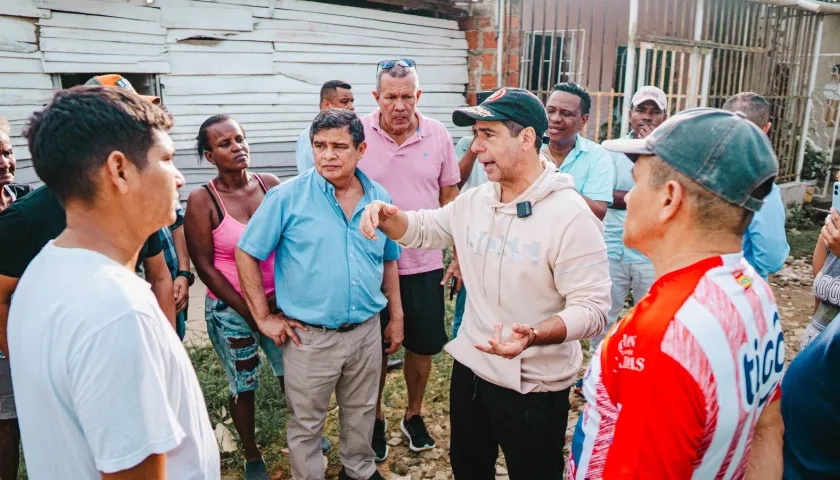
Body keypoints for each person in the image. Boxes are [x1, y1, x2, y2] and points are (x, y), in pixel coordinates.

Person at [360, 87, 611, 479]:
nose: (475, 147)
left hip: (535, 386)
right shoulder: (477, 200)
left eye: (488, 134)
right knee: (469, 468)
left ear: (526, 138)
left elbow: (593, 309)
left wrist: (534, 334)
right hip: (472, 370)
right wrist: (385, 214)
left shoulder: (571, 216)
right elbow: (425, 228)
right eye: (476, 134)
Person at [7, 85, 219, 479]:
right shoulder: (116, 311)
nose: (178, 177)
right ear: (119, 170)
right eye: (166, 159)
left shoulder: (42, 274)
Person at [566, 108, 783, 478]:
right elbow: (767, 429)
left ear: (669, 199)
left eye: (637, 182)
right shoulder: (754, 292)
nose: (630, 198)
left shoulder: (660, 337)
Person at [236, 109, 401, 480]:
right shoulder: (287, 198)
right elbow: (247, 251)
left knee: (360, 411)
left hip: (365, 331)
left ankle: (358, 470)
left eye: (339, 147)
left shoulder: (379, 197)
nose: (328, 155)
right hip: (309, 338)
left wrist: (398, 318)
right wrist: (263, 316)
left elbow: (389, 260)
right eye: (320, 145)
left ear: (361, 149)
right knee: (306, 423)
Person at [185, 114, 310, 480]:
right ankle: (252, 454)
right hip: (230, 308)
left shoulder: (270, 185)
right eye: (225, 144)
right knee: (244, 383)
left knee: (295, 374)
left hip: (278, 302)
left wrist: (280, 301)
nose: (237, 147)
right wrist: (253, 312)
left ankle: (305, 434)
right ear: (210, 156)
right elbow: (205, 267)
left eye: (240, 139)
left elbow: (293, 241)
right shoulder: (202, 200)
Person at [358, 59, 460, 459]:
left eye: (407, 96)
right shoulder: (357, 133)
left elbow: (450, 196)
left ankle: (413, 414)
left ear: (418, 95)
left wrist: (458, 255)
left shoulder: (437, 135)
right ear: (376, 97)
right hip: (371, 266)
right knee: (375, 350)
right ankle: (377, 418)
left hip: (425, 263)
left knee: (423, 346)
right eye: (390, 97)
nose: (399, 106)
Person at [588, 86, 666, 357]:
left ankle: (642, 372)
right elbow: (602, 196)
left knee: (650, 319)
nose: (647, 117)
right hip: (611, 247)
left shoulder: (669, 155)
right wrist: (642, 197)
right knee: (605, 314)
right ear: (630, 114)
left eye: (654, 112)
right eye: (641, 110)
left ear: (665, 117)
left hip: (650, 254)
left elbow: (666, 197)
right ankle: (597, 371)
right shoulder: (612, 150)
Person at [722, 92, 789, 280]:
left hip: (690, 286)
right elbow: (772, 259)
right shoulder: (762, 187)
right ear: (765, 128)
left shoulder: (694, 171)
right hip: (741, 287)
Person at [450, 90, 494, 340]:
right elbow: (456, 182)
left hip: (499, 235)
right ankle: (460, 344)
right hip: (472, 234)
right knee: (465, 303)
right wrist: (476, 144)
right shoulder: (467, 145)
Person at [0, 115, 30, 480]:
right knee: (6, 423)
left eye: (7, 152)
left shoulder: (25, 200)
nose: (4, 162)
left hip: (28, 328)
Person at [541, 82, 614, 220]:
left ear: (583, 121)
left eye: (566, 113)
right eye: (550, 111)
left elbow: (597, 212)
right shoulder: (528, 148)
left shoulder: (597, 156)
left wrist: (556, 179)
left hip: (575, 238)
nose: (555, 118)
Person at [296, 80, 356, 174]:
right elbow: (307, 176)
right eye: (344, 102)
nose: (351, 107)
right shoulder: (309, 136)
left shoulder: (349, 132)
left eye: (352, 101)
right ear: (327, 105)